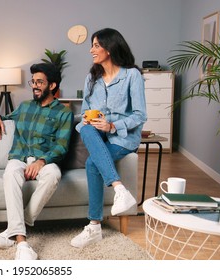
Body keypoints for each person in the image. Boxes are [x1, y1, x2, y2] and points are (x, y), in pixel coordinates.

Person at [71, 28, 147, 248]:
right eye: (92, 45)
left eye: (96, 45)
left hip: (122, 138)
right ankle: (120, 189)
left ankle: (94, 226)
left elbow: (140, 115)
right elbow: (85, 110)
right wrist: (86, 119)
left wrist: (112, 125)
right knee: (84, 128)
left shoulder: (132, 75)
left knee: (92, 162)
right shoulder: (91, 78)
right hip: (97, 134)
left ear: (110, 47)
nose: (91, 50)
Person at [0, 63, 73, 260]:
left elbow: (61, 146)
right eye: (33, 81)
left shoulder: (64, 112)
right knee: (10, 174)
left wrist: (42, 161)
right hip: (19, 157)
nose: (34, 86)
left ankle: (13, 228)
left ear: (52, 86)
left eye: (39, 82)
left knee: (54, 174)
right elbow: (6, 116)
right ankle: (22, 242)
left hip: (44, 159)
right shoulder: (25, 106)